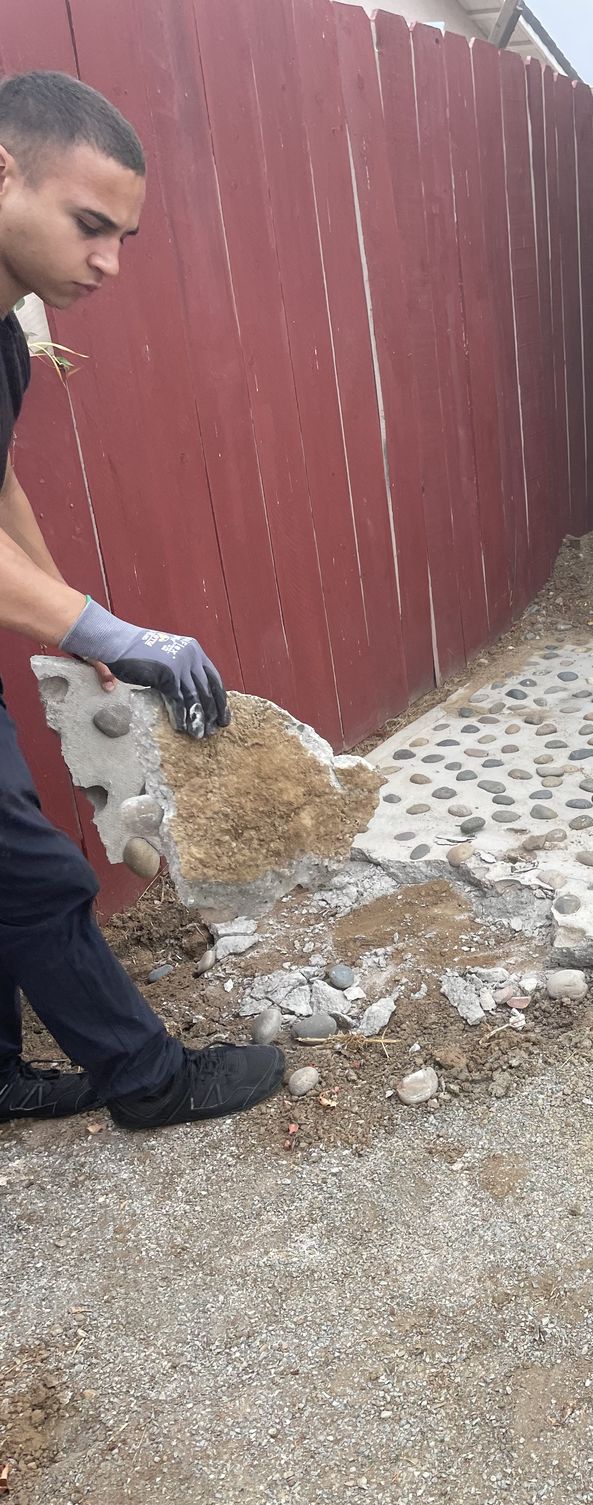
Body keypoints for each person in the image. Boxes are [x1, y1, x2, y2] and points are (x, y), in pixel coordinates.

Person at [0, 71, 284, 1127]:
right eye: (88, 226)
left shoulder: (2, 338)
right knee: (31, 874)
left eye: (123, 234)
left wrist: (79, 627)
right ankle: (147, 1080)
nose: (110, 263)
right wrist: (102, 627)